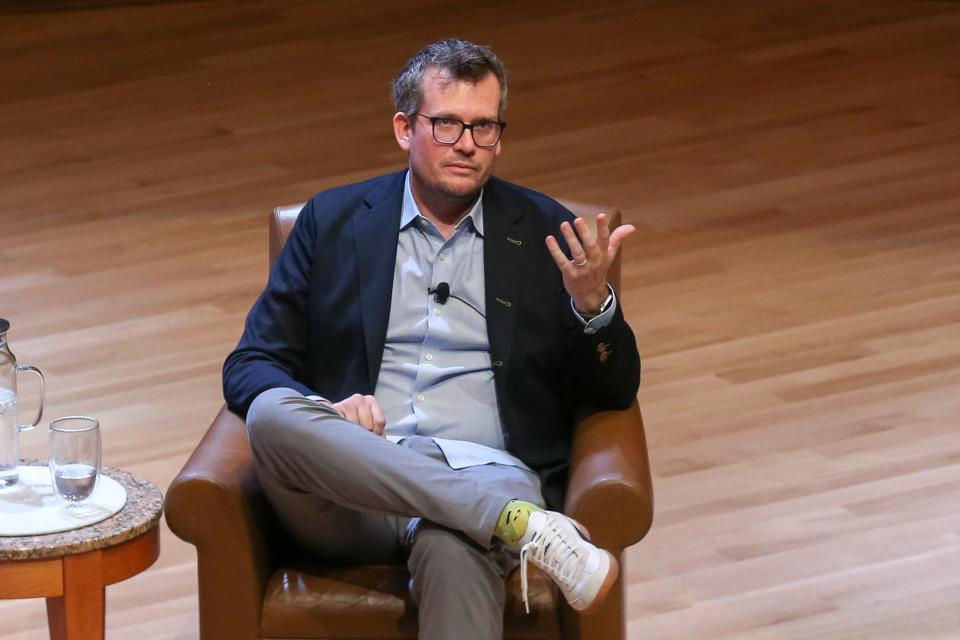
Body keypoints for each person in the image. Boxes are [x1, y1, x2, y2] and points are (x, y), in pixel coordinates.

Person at [223, 38, 640, 640]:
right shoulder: (333, 222)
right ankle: (516, 525)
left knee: (454, 540)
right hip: (355, 484)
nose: (467, 144)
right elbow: (250, 364)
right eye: (446, 124)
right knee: (269, 413)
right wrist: (329, 412)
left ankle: (492, 516)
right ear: (404, 128)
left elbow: (614, 390)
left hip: (487, 467)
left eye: (484, 126)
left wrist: (591, 306)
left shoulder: (549, 234)